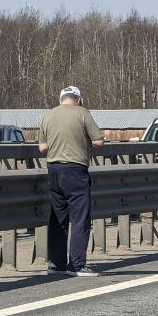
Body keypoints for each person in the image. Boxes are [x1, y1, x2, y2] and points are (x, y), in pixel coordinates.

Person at [38, 85, 105, 276]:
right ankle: (76, 265)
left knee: (57, 218)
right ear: (79, 99)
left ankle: (56, 264)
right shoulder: (82, 113)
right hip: (75, 169)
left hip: (54, 170)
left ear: (60, 99)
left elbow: (42, 148)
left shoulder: (48, 116)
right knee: (79, 218)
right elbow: (99, 141)